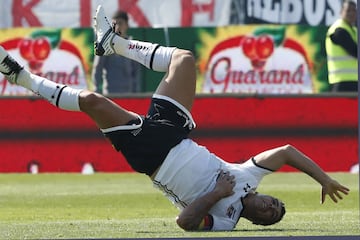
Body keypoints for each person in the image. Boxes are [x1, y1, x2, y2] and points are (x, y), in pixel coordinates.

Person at [0, 5, 349, 231]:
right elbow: (287, 151)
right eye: (276, 203)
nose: (271, 206)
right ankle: (113, 44)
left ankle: (21, 78)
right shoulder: (247, 178)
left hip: (155, 157)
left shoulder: (224, 223)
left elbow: (184, 222)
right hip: (177, 134)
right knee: (183, 59)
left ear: (257, 221)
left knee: (92, 100)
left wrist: (216, 192)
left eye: (270, 214)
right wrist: (322, 178)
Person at [91, 9, 142, 94]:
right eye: (115, 24)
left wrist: (136, 93)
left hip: (129, 95)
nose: (117, 26)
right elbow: (97, 69)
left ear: (127, 25)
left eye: (120, 23)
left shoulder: (132, 46)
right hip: (111, 95)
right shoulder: (105, 44)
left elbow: (136, 73)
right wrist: (97, 90)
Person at [325, 0, 358, 92]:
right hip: (341, 82)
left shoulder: (354, 30)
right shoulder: (338, 30)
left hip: (354, 81)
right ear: (341, 12)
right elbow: (354, 51)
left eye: (354, 10)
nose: (351, 13)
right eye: (348, 10)